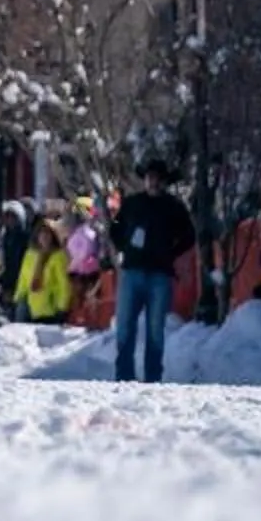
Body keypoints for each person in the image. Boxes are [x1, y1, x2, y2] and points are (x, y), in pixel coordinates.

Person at [108, 159, 198, 385]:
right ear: (144, 179)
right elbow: (114, 229)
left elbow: (189, 236)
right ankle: (124, 377)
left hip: (160, 275)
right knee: (125, 327)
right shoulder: (131, 203)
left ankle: (152, 378)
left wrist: (171, 253)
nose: (153, 182)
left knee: (155, 331)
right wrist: (125, 248)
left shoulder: (174, 207)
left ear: (164, 181)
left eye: (158, 178)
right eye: (150, 177)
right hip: (132, 272)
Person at [14, 216, 74, 323]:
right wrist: (19, 297)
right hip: (31, 308)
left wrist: (62, 307)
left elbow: (64, 283)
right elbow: (23, 278)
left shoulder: (58, 256)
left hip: (51, 310)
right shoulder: (30, 255)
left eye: (48, 233)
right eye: (41, 233)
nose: (44, 236)